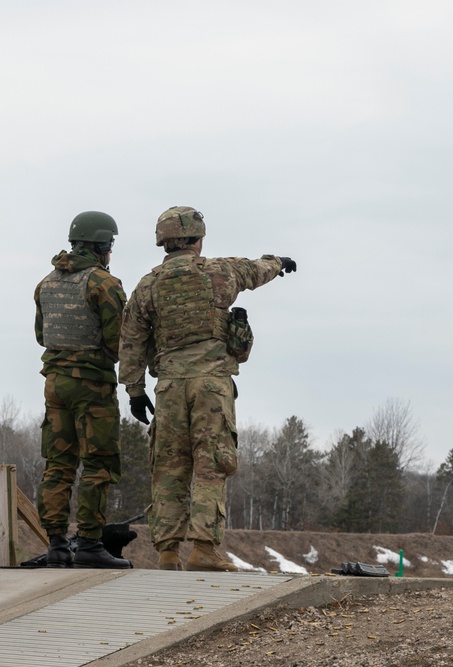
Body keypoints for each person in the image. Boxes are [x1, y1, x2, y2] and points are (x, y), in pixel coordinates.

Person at [119, 205, 296, 572]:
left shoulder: (148, 284)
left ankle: (167, 553)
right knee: (212, 464)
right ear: (197, 239)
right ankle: (203, 549)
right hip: (211, 386)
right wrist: (278, 262)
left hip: (168, 387)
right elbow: (256, 269)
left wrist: (135, 390)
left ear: (163, 241)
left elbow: (131, 339)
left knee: (168, 467)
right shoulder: (219, 271)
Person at [33, 211, 132, 569]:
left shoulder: (46, 283)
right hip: (92, 385)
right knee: (98, 463)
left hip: (55, 384)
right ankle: (90, 543)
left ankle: (58, 544)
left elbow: (42, 335)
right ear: (103, 245)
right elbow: (118, 338)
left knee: (58, 464)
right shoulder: (103, 284)